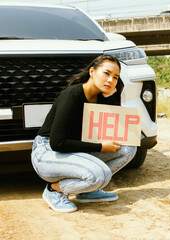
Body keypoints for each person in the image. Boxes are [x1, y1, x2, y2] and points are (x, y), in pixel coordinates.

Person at [31, 55, 137, 213]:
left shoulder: (102, 96)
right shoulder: (72, 96)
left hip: (72, 150)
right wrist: (101, 146)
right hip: (46, 152)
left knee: (128, 149)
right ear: (92, 72)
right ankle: (54, 190)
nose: (110, 80)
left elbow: (116, 130)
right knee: (98, 175)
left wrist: (110, 97)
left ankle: (87, 191)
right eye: (106, 73)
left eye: (115, 77)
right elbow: (57, 143)